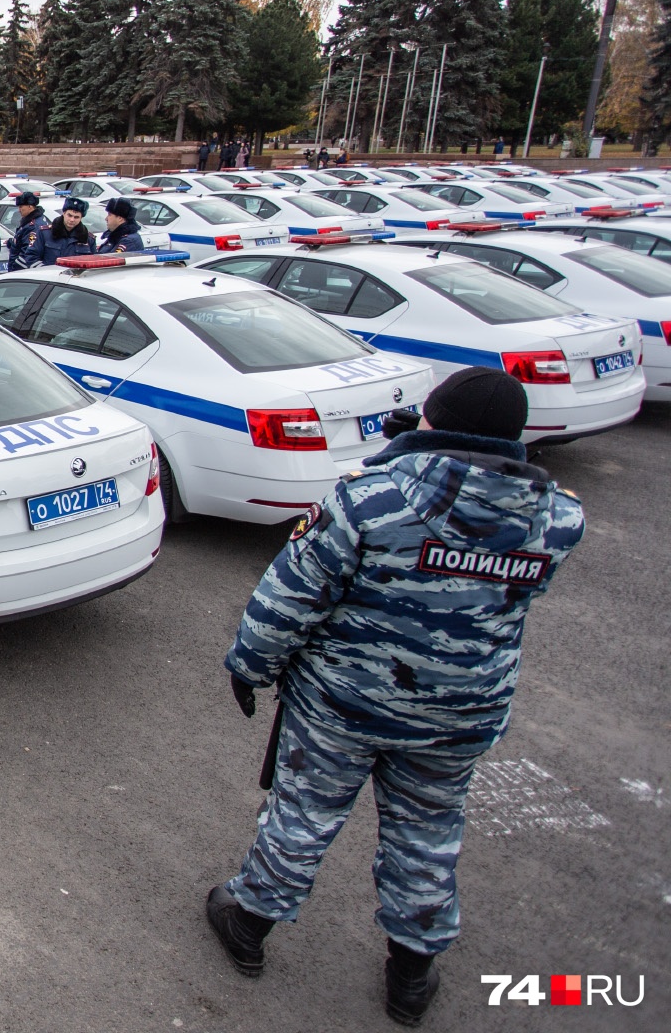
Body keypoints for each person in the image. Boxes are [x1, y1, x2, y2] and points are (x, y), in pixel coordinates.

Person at [207, 368, 583, 1027]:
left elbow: (292, 596)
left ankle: (249, 925)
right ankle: (411, 975)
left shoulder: (373, 499)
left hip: (345, 704)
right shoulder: (558, 518)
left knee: (303, 816)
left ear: (433, 422)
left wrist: (250, 664)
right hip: (459, 715)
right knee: (427, 834)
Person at [26, 196, 96, 265]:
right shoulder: (44, 233)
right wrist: (46, 272)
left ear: (81, 218)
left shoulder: (88, 239)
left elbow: (93, 264)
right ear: (64, 213)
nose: (72, 220)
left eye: (76, 217)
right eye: (69, 215)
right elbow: (31, 258)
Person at [7, 191, 49, 270]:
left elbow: (28, 251)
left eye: (21, 207)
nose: (19, 210)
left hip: (21, 271)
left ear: (30, 206)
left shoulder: (33, 226)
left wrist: (14, 267)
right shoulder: (29, 221)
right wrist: (12, 242)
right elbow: (23, 240)